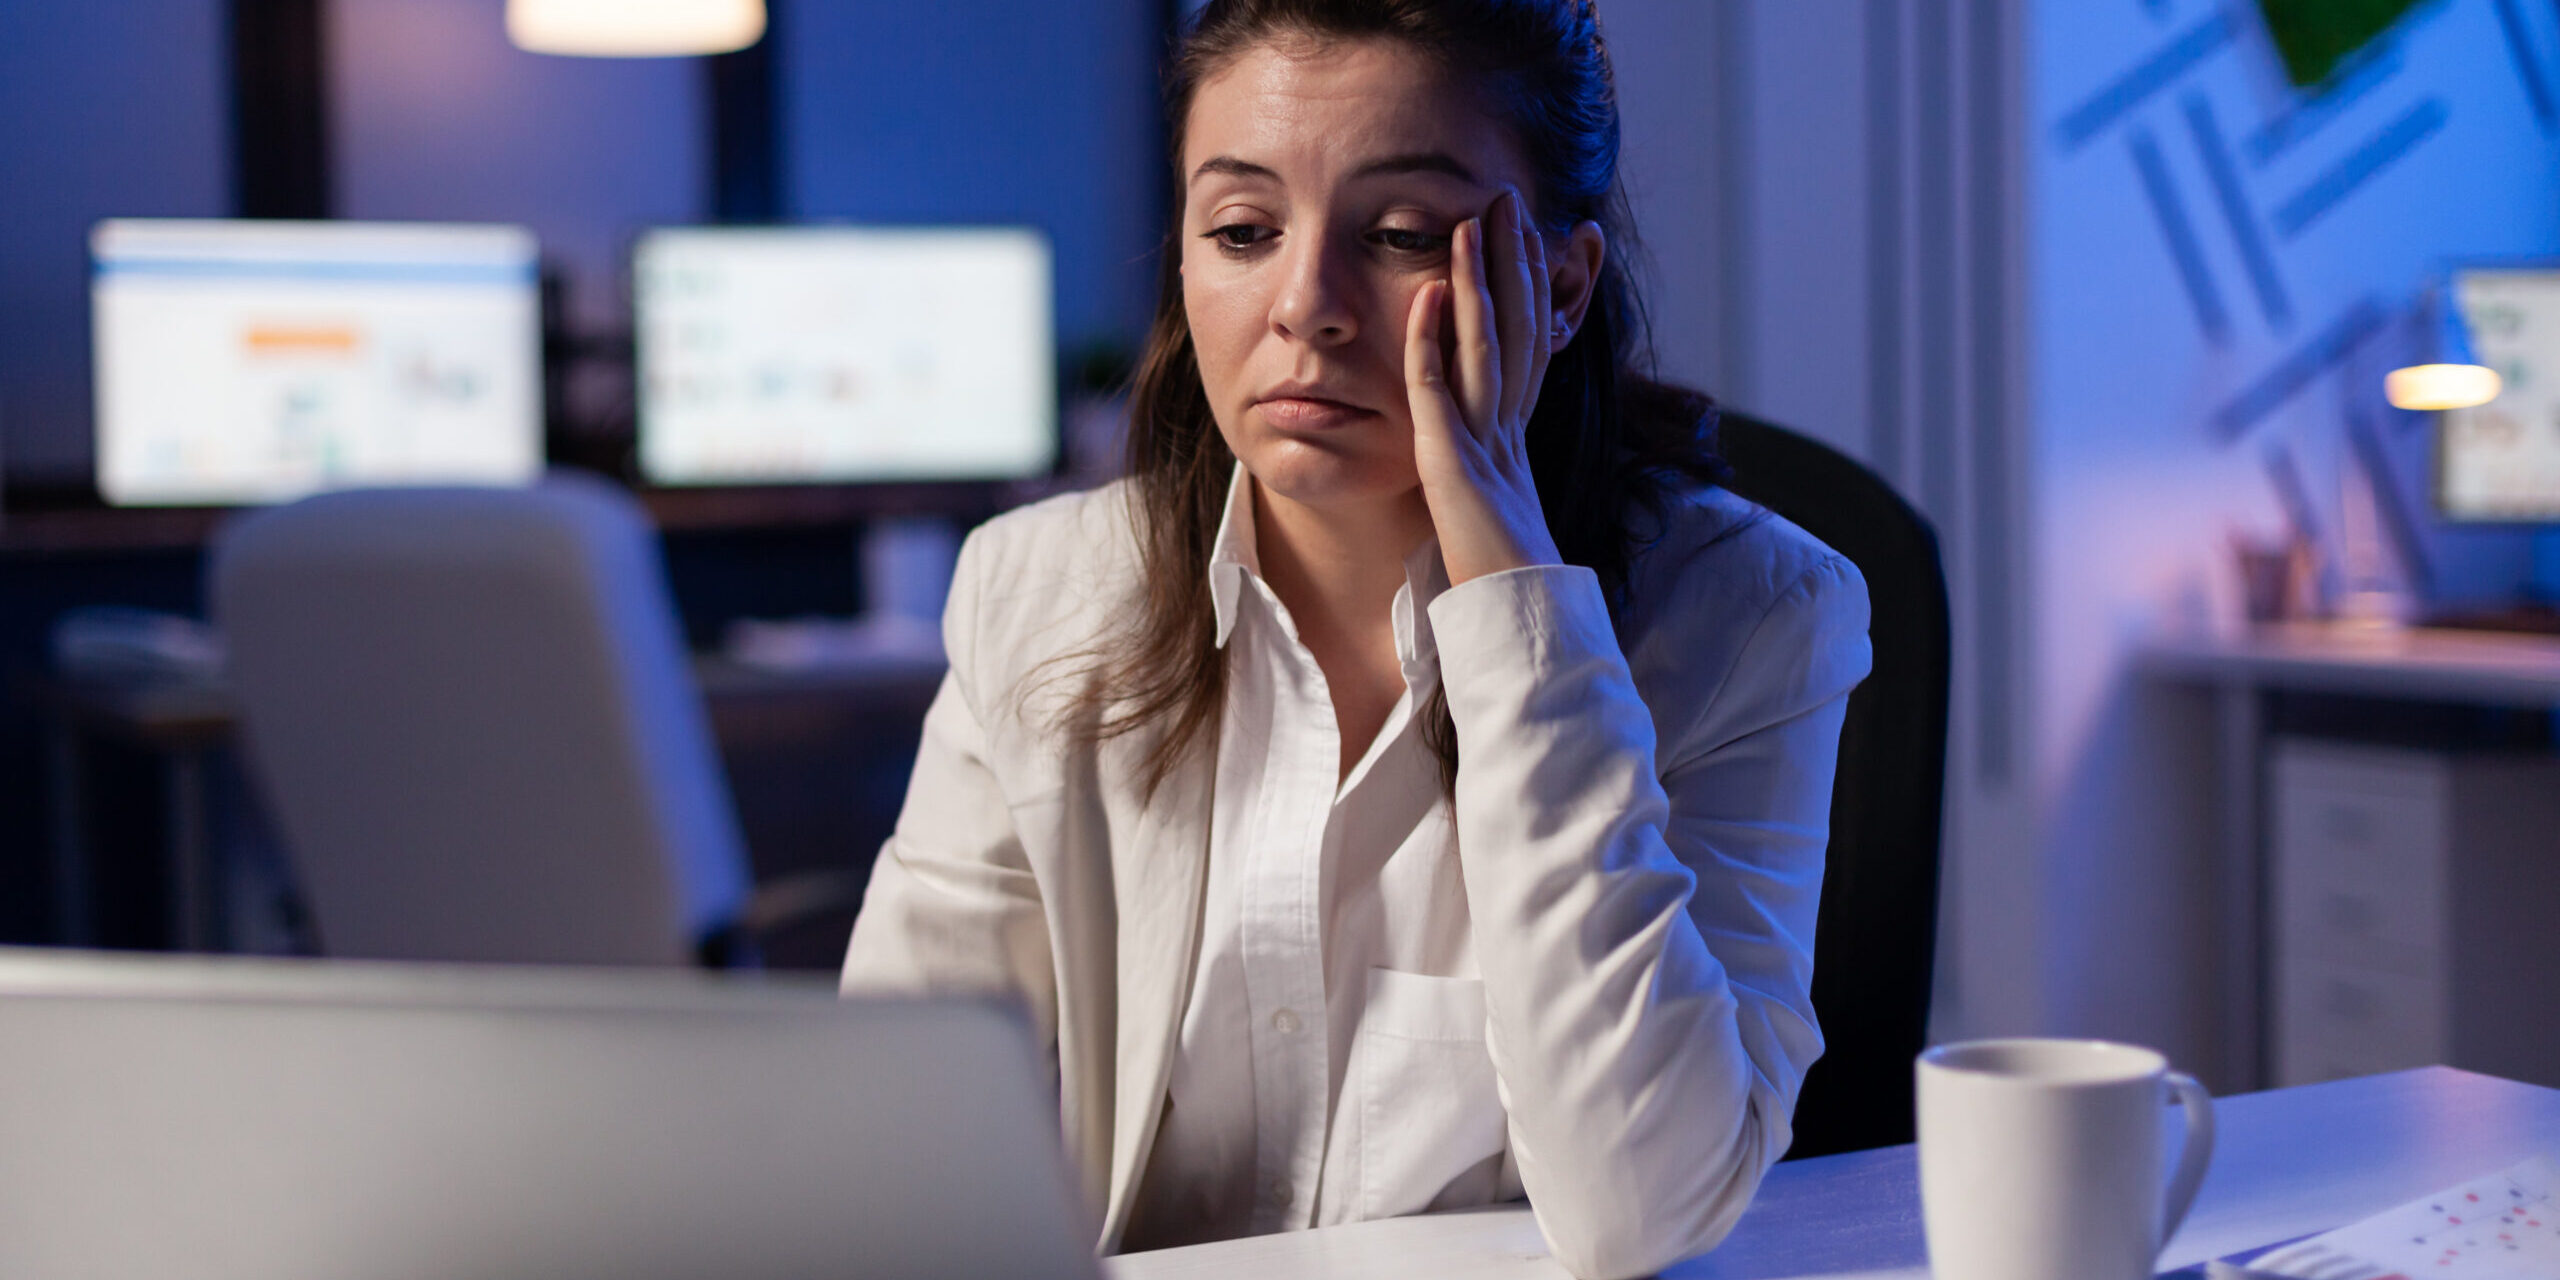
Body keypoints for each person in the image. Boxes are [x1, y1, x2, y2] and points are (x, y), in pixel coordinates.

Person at [841, 2, 1872, 1277]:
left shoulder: (1749, 618)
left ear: (1556, 281)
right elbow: (884, 1141)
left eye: (1397, 236)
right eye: (1241, 231)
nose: (1304, 306)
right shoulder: (1032, 595)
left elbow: (1641, 1204)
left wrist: (1506, 573)